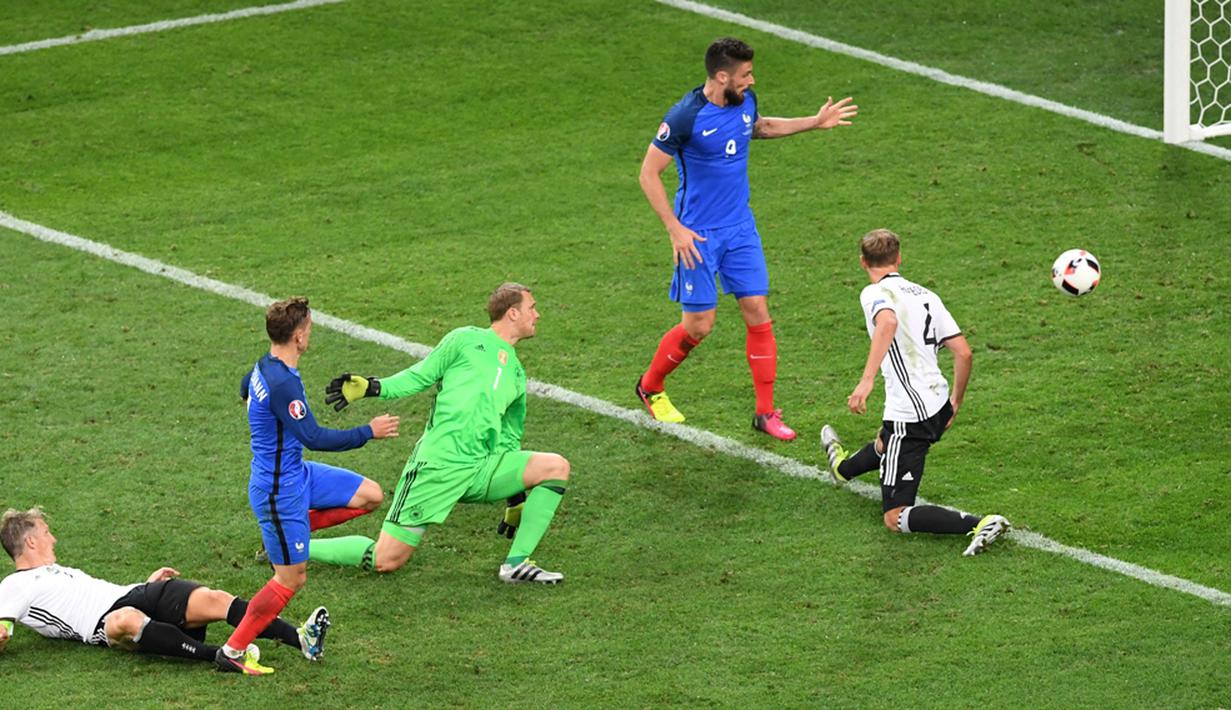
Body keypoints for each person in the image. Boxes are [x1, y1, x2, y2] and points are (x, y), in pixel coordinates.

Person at [634, 36, 858, 441]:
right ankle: (650, 386)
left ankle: (765, 412)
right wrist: (675, 229)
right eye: (745, 75)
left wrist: (814, 121)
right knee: (699, 326)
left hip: (740, 228)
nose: (751, 80)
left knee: (757, 308)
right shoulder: (685, 117)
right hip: (697, 237)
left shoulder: (743, 101)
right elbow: (648, 173)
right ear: (722, 76)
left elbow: (759, 127)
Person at [311, 283, 570, 584]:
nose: (537, 315)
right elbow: (421, 375)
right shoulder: (465, 340)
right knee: (385, 559)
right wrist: (373, 387)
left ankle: (516, 564)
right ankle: (291, 549)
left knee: (556, 467)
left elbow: (508, 439)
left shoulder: (515, 372)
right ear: (513, 313)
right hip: (438, 467)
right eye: (532, 308)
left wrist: (515, 500)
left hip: (481, 468)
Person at [219, 297, 400, 674]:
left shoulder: (264, 366)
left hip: (298, 474)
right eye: (310, 330)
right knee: (291, 579)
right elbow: (314, 436)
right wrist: (368, 431)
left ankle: (291, 538)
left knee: (371, 495)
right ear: (299, 336)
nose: (311, 335)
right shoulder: (283, 382)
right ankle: (233, 651)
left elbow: (244, 391)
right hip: (279, 490)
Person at [820, 229, 1009, 556]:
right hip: (939, 406)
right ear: (899, 258)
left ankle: (980, 523)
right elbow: (964, 353)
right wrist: (956, 402)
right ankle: (842, 469)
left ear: (863, 261)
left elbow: (888, 323)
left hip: (910, 416)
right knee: (885, 441)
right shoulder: (927, 295)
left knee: (894, 517)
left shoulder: (873, 292)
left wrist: (866, 381)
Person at [0, 507, 327, 674]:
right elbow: (3, 627)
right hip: (103, 626)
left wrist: (147, 583)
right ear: (30, 541)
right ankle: (222, 655)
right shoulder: (15, 585)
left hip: (138, 593)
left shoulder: (56, 570)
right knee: (125, 619)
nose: (53, 538)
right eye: (46, 532)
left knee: (216, 599)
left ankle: (301, 638)